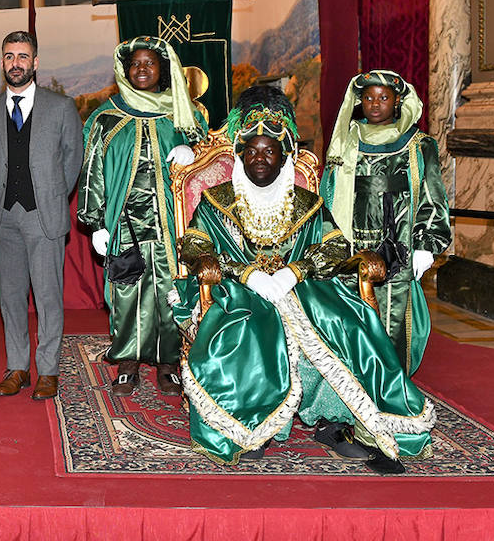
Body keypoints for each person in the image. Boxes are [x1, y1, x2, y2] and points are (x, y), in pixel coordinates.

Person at [175, 86, 435, 472]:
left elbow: (334, 248)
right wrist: (246, 273)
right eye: (252, 151)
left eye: (270, 151)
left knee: (346, 321)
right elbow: (194, 247)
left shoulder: (308, 203)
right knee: (248, 326)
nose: (260, 159)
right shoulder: (217, 199)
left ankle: (342, 422)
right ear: (239, 155)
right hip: (239, 290)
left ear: (285, 157)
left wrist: (295, 271)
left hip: (303, 287)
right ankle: (255, 425)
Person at [78, 36, 206, 397]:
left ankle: (169, 364)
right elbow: (93, 171)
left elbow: (214, 161)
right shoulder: (106, 117)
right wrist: (96, 222)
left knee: (172, 293)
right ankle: (128, 364)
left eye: (150, 63)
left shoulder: (184, 114)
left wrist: (193, 150)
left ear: (163, 70)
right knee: (127, 294)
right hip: (125, 223)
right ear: (125, 69)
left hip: (173, 226)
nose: (142, 69)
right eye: (135, 64)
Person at [321, 70, 451, 376]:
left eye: (383, 97)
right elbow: (327, 195)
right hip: (349, 248)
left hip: (397, 250)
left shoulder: (418, 146)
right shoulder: (345, 142)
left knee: (391, 327)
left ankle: (389, 394)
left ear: (397, 101)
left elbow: (433, 197)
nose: (375, 104)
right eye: (368, 97)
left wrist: (427, 246)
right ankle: (346, 402)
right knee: (348, 326)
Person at [0, 32, 84, 401]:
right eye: (9, 56)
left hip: (45, 217)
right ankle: (18, 367)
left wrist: (53, 195)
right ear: (2, 61)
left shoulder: (61, 107)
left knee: (48, 297)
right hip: (3, 218)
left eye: (23, 56)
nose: (16, 63)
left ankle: (49, 370)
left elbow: (73, 159)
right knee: (10, 298)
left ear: (35, 63)